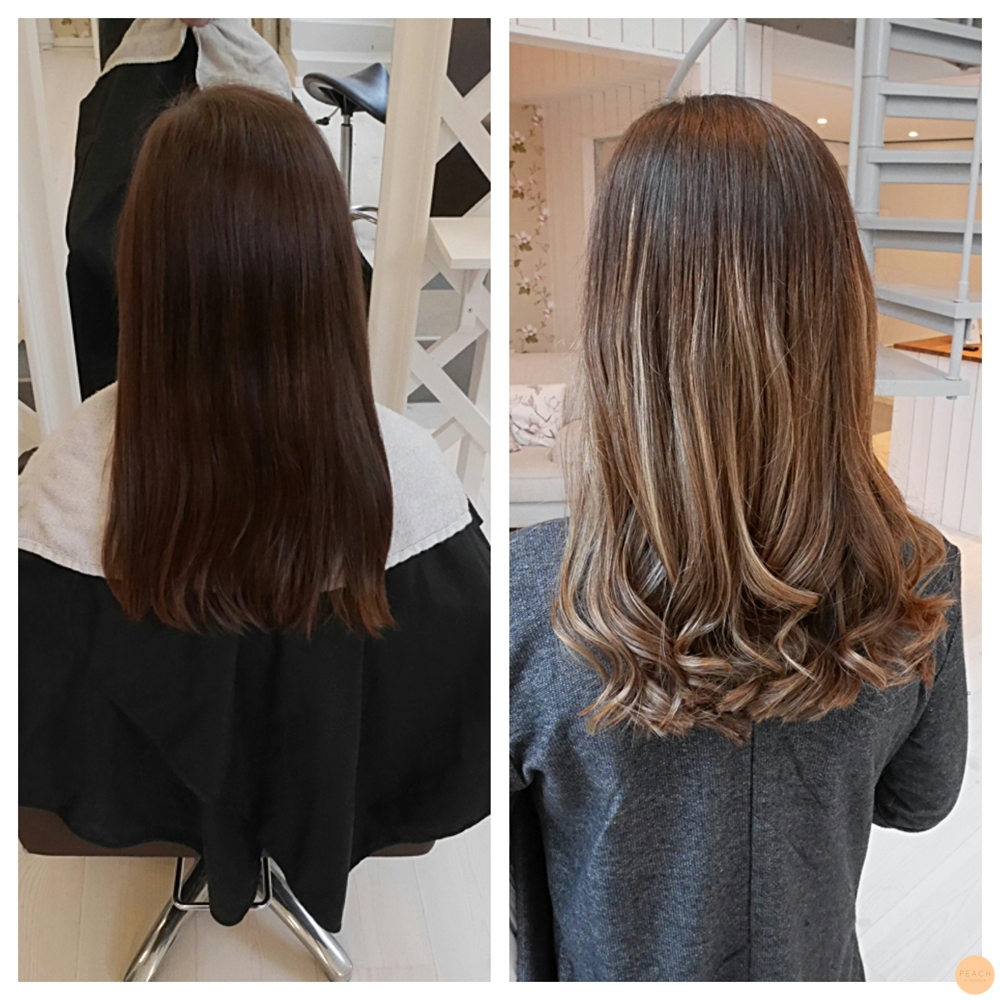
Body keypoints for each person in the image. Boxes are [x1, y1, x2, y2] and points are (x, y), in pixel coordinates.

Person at [509, 95, 968, 982]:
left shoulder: (534, 597)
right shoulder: (917, 574)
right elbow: (920, 799)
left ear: (620, 321)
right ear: (838, 312)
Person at [20, 84, 490, 933]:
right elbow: (451, 727)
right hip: (327, 796)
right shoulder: (414, 480)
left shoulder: (61, 479)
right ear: (327, 263)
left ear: (144, 264)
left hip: (131, 808)